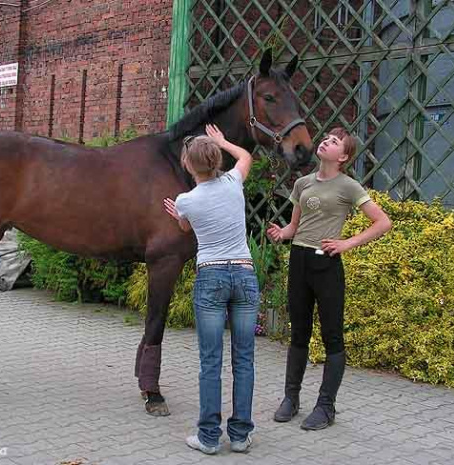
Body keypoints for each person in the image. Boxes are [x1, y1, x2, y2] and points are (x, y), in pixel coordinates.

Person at [267, 127, 392, 430]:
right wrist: (281, 233)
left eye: (334, 142)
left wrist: (346, 244)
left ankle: (326, 407)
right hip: (299, 259)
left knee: (332, 337)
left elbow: (383, 222)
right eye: (327, 138)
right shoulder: (302, 182)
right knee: (298, 332)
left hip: (327, 265)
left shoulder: (349, 186)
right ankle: (291, 398)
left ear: (344, 156)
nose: (325, 142)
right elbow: (294, 226)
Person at [163, 124, 259, 455]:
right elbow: (246, 156)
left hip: (211, 276)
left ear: (188, 165)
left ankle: (207, 437)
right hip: (244, 275)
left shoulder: (185, 200)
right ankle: (240, 435)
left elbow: (185, 226)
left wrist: (179, 214)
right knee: (244, 359)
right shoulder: (234, 182)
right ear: (217, 159)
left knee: (210, 360)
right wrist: (224, 141)